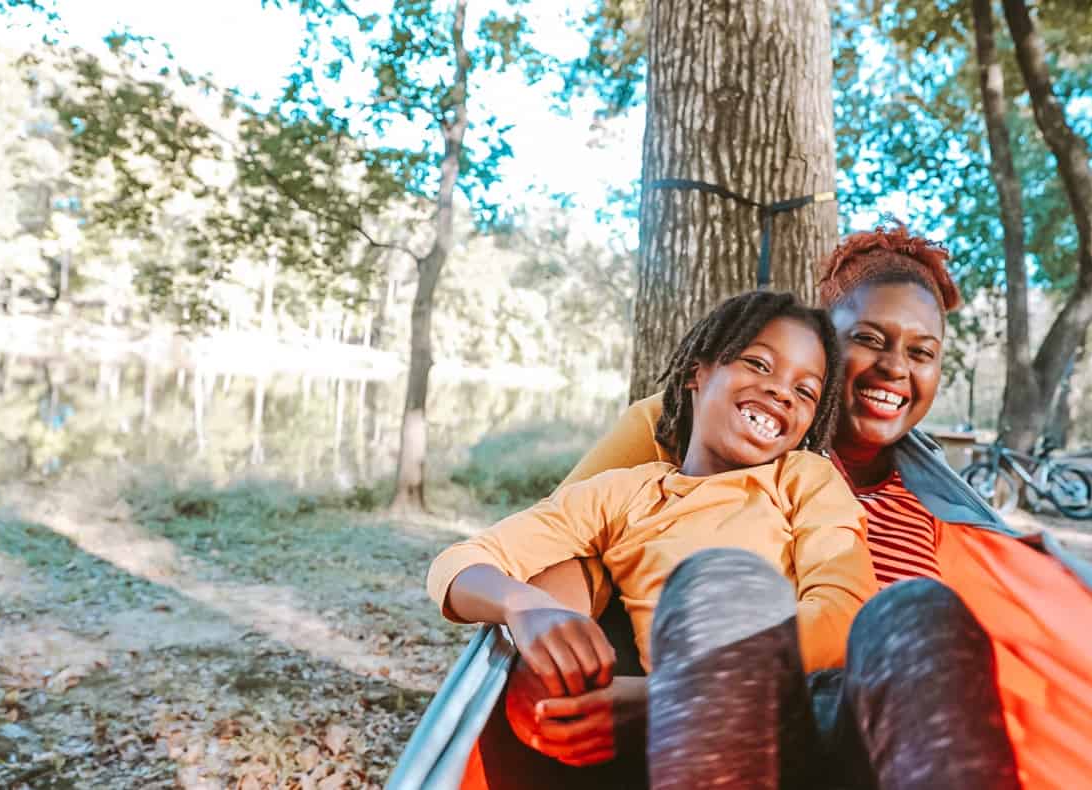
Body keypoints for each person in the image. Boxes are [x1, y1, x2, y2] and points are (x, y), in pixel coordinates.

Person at [517, 224, 1021, 789]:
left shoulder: (934, 503)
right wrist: (547, 640)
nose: (895, 369)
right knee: (726, 584)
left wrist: (672, 692)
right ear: (823, 342)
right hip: (734, 732)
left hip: (863, 743)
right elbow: (571, 544)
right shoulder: (704, 427)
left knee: (916, 611)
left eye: (922, 352)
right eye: (870, 340)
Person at [427, 291, 879, 781]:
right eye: (758, 364)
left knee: (918, 612)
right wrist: (524, 605)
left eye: (806, 391)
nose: (781, 392)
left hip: (807, 706)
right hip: (699, 743)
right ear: (696, 372)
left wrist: (677, 693)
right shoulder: (625, 495)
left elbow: (843, 614)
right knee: (705, 586)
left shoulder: (805, 479)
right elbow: (459, 563)